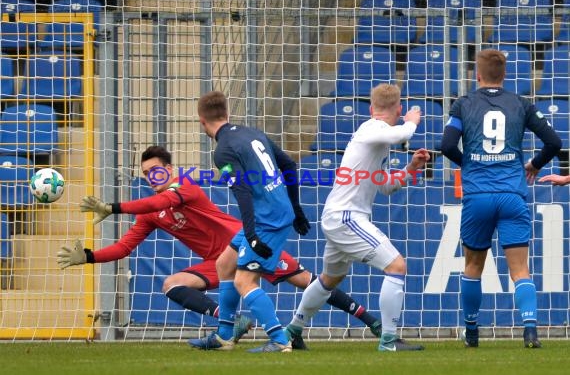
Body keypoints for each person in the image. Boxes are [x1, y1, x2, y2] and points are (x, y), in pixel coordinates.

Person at [57, 146, 382, 346]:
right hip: (216, 261)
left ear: (168, 169)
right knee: (172, 284)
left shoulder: (185, 187)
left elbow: (170, 199)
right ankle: (231, 321)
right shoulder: (151, 213)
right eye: (145, 173)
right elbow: (124, 248)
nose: (151, 176)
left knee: (307, 281)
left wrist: (114, 207)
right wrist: (88, 256)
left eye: (155, 170)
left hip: (247, 243)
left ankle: (371, 321)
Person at [284, 83, 429, 352]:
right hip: (347, 217)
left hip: (339, 216)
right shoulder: (374, 128)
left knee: (330, 279)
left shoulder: (376, 138)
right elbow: (402, 134)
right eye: (401, 111)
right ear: (397, 109)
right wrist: (412, 121)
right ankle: (388, 340)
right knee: (397, 267)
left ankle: (293, 330)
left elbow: (384, 186)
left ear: (372, 107)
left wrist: (410, 168)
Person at [441, 48, 562, 349]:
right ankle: (530, 329)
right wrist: (534, 165)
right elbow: (554, 142)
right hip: (512, 195)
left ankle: (471, 331)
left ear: (476, 75)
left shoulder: (463, 104)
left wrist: (468, 163)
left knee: (472, 266)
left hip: (478, 196)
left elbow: (446, 145)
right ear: (504, 75)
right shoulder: (521, 103)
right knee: (520, 268)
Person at [189, 90, 315, 353]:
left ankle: (280, 341)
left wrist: (252, 234)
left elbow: (243, 192)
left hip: (266, 221)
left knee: (244, 281)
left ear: (202, 121)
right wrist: (297, 209)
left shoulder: (223, 151)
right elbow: (289, 165)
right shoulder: (253, 133)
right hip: (273, 213)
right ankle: (224, 335)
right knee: (225, 264)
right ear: (227, 113)